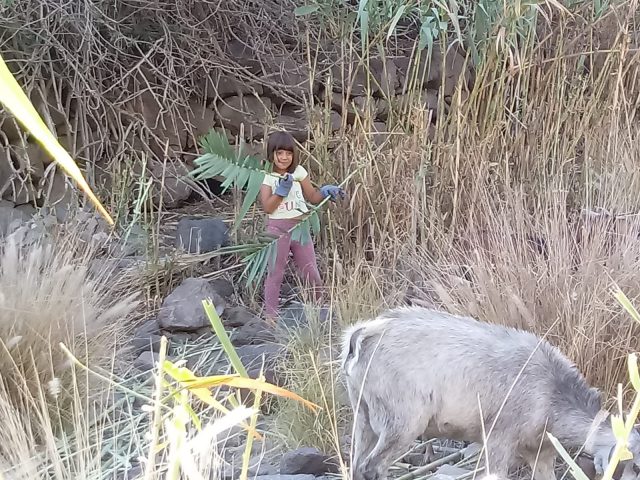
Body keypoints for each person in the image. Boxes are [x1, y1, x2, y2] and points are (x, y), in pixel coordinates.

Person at [259, 130, 345, 325]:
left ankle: (320, 312)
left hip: (300, 227)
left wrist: (326, 191)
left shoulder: (299, 172)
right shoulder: (268, 177)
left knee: (310, 271)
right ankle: (270, 317)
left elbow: (312, 197)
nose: (284, 157)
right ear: (271, 153)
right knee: (275, 272)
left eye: (288, 153)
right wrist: (281, 191)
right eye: (279, 153)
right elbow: (267, 207)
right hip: (277, 230)